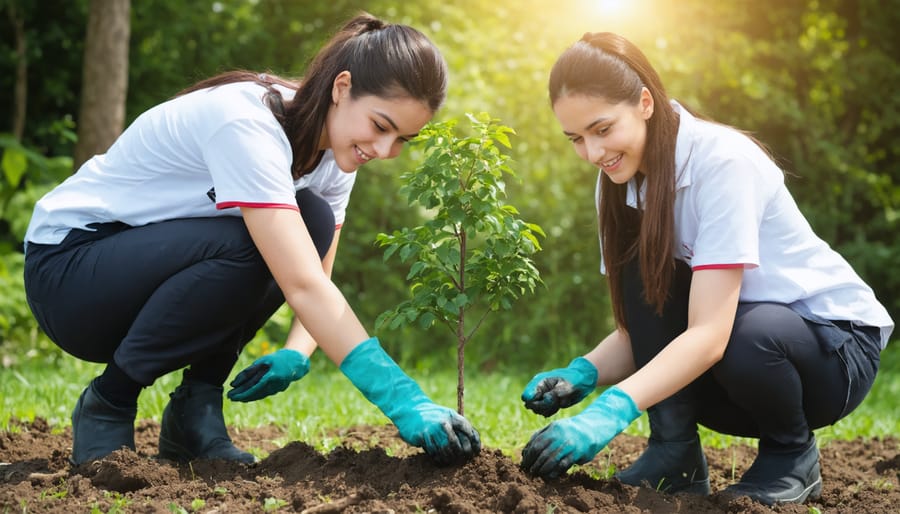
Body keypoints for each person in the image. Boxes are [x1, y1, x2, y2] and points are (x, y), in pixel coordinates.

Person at [23, 12, 480, 467]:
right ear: (342, 88)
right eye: (381, 127)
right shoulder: (247, 124)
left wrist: (296, 352)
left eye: (403, 139)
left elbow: (319, 269)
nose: (384, 151)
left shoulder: (335, 153)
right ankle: (109, 401)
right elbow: (301, 283)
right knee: (256, 241)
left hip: (135, 276)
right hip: (70, 273)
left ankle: (194, 408)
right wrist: (405, 401)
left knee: (312, 221)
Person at [518, 32, 893, 506]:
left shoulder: (722, 163)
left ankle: (791, 454)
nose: (593, 153)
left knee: (745, 333)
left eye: (602, 129)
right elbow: (648, 328)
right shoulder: (617, 183)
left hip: (833, 354)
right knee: (649, 278)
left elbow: (711, 335)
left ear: (646, 103)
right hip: (741, 363)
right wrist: (583, 374)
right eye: (576, 139)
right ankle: (674, 454)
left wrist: (610, 412)